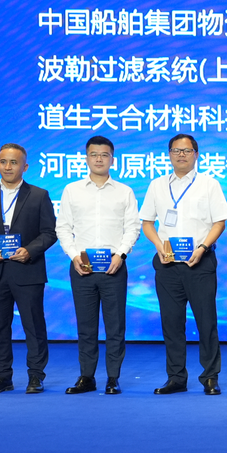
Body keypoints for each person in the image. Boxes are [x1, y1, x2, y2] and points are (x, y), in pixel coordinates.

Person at [139, 133, 227, 395]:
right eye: (176, 151)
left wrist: (202, 248)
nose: (181, 155)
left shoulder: (209, 184)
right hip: (167, 264)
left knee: (206, 322)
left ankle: (210, 377)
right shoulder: (157, 185)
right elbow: (147, 222)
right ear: (169, 154)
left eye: (187, 151)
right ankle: (176, 377)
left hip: (200, 262)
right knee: (171, 323)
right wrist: (159, 246)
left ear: (196, 154)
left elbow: (219, 222)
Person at [0, 143, 58, 394]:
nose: (8, 167)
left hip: (27, 270)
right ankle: (2, 377)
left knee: (34, 326)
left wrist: (30, 250)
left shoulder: (39, 195)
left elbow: (49, 232)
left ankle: (36, 376)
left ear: (25, 167)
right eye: (3, 161)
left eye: (14, 162)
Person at [56, 135, 140, 395]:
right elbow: (63, 227)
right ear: (86, 158)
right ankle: (86, 377)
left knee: (115, 326)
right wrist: (74, 256)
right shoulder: (72, 190)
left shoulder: (124, 191)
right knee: (86, 326)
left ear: (113, 159)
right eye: (94, 154)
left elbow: (133, 228)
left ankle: (113, 377)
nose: (99, 159)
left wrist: (121, 255)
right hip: (82, 268)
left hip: (114, 266)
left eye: (104, 155)